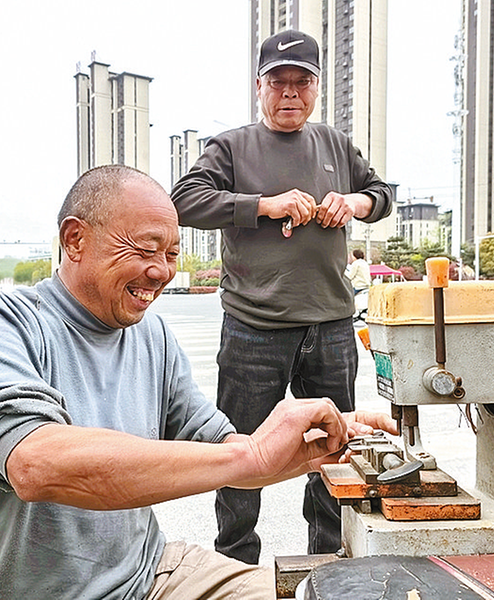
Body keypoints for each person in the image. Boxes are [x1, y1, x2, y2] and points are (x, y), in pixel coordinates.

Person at [0, 165, 397, 600]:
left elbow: (224, 450)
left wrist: (313, 447)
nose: (161, 271)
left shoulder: (151, 335)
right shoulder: (3, 327)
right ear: (74, 240)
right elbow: (35, 464)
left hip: (150, 573)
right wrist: (250, 455)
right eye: (144, 250)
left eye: (171, 254)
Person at [171, 29, 393, 563]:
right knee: (241, 452)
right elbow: (184, 200)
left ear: (316, 88)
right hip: (254, 328)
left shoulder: (335, 144)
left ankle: (329, 562)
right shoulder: (231, 147)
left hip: (331, 325)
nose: (290, 92)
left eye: (301, 82)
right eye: (278, 82)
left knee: (335, 450)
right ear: (259, 87)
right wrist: (264, 205)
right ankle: (235, 563)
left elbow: (382, 194)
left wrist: (354, 203)